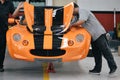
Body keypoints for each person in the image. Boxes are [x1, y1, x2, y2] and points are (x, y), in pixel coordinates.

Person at [70, 3, 117, 74]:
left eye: (71, 10)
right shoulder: (76, 16)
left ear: (75, 8)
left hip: (99, 34)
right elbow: (71, 24)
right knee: (96, 53)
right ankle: (97, 69)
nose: (71, 12)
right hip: (92, 36)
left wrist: (70, 25)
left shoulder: (83, 11)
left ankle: (113, 67)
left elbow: (81, 21)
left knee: (105, 51)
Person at [0, 0, 23, 72]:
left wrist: (18, 8)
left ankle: (0, 66)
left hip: (3, 29)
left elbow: (13, 15)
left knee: (2, 48)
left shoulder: (9, 3)